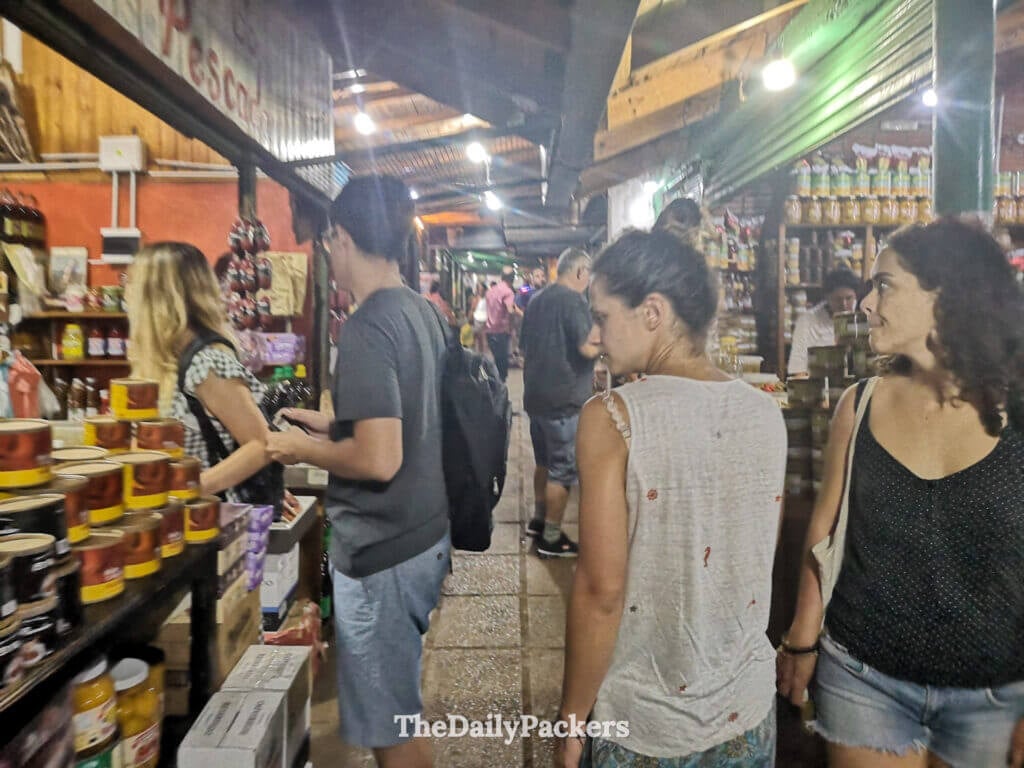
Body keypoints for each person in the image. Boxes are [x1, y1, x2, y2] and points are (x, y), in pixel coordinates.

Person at [778, 218, 1024, 768]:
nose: (866, 303)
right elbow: (825, 529)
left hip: (994, 692)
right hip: (864, 676)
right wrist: (802, 637)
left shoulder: (1018, 416)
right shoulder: (859, 404)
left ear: (944, 297)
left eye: (884, 285)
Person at [556, 229, 786, 768]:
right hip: (748, 715)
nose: (595, 336)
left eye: (603, 316)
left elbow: (601, 591)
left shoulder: (613, 417)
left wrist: (571, 718)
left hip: (645, 727)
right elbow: (755, 559)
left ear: (653, 312)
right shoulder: (764, 412)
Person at [265, 175, 449, 768]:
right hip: (422, 534)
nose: (327, 253)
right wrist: (332, 427)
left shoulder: (369, 326)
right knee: (398, 710)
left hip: (383, 552)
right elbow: (406, 424)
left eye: (328, 242)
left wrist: (300, 448)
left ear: (341, 237)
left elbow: (379, 458)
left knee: (389, 732)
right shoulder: (420, 311)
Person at [125, 242, 286, 502]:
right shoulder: (163, 361)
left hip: (206, 517)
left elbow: (262, 444)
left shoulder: (206, 363)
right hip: (168, 515)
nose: (126, 293)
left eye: (131, 283)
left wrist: (188, 488)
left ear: (155, 297)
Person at [521, 247, 598, 558]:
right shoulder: (574, 301)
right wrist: (608, 343)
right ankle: (551, 538)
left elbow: (524, 345)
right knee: (562, 470)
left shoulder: (537, 299)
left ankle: (538, 521)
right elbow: (587, 349)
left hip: (535, 396)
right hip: (564, 400)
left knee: (543, 462)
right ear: (580, 272)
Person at [787, 268, 861, 378]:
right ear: (827, 298)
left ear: (856, 296)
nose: (844, 305)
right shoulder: (807, 320)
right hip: (818, 383)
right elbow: (798, 369)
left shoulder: (861, 318)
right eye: (838, 299)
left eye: (849, 298)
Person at [485, 266, 522, 381]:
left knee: (496, 361)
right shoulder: (508, 292)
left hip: (489, 331)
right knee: (502, 367)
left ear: (501, 277)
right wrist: (514, 322)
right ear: (512, 278)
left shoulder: (490, 291)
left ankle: (495, 385)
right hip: (501, 332)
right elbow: (510, 310)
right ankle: (499, 388)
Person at [471, 283, 490, 358]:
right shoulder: (476, 299)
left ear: (485, 290)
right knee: (475, 337)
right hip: (476, 320)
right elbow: (472, 309)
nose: (480, 291)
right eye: (479, 289)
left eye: (481, 289)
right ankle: (475, 354)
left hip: (484, 321)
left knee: (481, 339)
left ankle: (481, 355)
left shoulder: (488, 299)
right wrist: (470, 319)